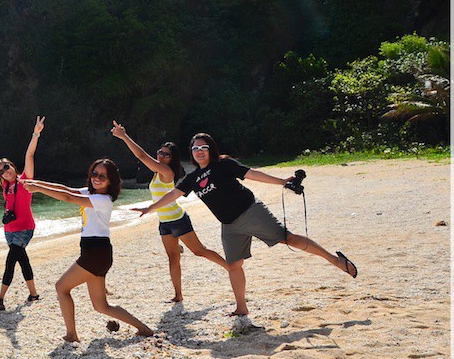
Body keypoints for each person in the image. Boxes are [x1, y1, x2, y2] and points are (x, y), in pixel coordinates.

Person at [133, 132, 358, 317]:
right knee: (233, 266)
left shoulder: (224, 164)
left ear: (211, 149)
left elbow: (252, 174)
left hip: (250, 212)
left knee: (285, 238)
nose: (199, 151)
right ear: (191, 153)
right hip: (229, 225)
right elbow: (171, 195)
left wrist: (281, 182)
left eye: (203, 147)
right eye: (195, 149)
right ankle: (241, 307)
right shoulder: (192, 178)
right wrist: (149, 209)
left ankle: (335, 260)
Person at [22, 159, 154, 342]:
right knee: (101, 306)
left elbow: (68, 198)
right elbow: (66, 190)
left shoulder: (103, 199)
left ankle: (71, 334)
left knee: (61, 287)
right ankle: (144, 329)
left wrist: (38, 189)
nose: (96, 179)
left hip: (95, 252)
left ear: (110, 181)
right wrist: (37, 183)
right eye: (94, 174)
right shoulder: (92, 194)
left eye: (102, 176)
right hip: (98, 253)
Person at [111, 121, 228, 302]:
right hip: (164, 222)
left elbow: (141, 156)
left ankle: (230, 268)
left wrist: (124, 136)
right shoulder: (157, 172)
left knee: (200, 251)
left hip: (178, 219)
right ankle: (178, 295)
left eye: (166, 154)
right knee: (173, 258)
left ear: (171, 159)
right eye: (159, 152)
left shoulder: (166, 171)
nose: (160, 155)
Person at [0, 117, 45, 311]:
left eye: (7, 167)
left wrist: (36, 133)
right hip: (9, 230)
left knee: (11, 261)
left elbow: (29, 155)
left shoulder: (25, 180)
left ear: (13, 166)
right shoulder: (5, 185)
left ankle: (0, 298)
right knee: (22, 259)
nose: (5, 172)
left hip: (25, 228)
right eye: (2, 171)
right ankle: (34, 294)